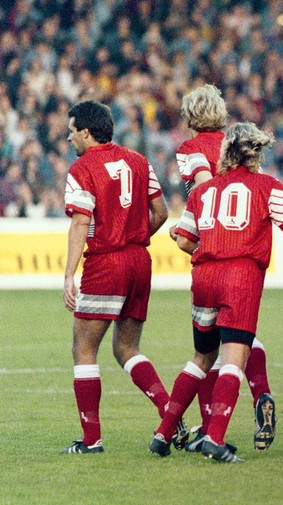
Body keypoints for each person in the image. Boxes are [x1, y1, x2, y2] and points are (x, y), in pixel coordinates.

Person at [149, 122, 283, 462]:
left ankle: (163, 433)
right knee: (234, 360)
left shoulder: (202, 192)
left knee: (202, 357)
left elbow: (187, 240)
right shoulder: (267, 185)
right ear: (255, 154)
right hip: (240, 277)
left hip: (204, 276)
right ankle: (214, 438)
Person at [61, 100, 174, 454]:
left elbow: (81, 221)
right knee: (127, 348)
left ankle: (91, 441)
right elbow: (162, 212)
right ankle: (171, 415)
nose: (69, 137)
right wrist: (135, 236)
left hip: (106, 262)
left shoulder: (82, 168)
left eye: (72, 131)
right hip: (140, 261)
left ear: (87, 132)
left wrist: (69, 275)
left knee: (84, 349)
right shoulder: (140, 161)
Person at [172, 84, 280, 452]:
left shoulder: (189, 149)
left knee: (208, 347)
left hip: (216, 244)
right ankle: (261, 393)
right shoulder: (232, 140)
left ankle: (208, 427)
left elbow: (208, 186)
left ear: (189, 116)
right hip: (245, 240)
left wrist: (198, 226)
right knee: (239, 334)